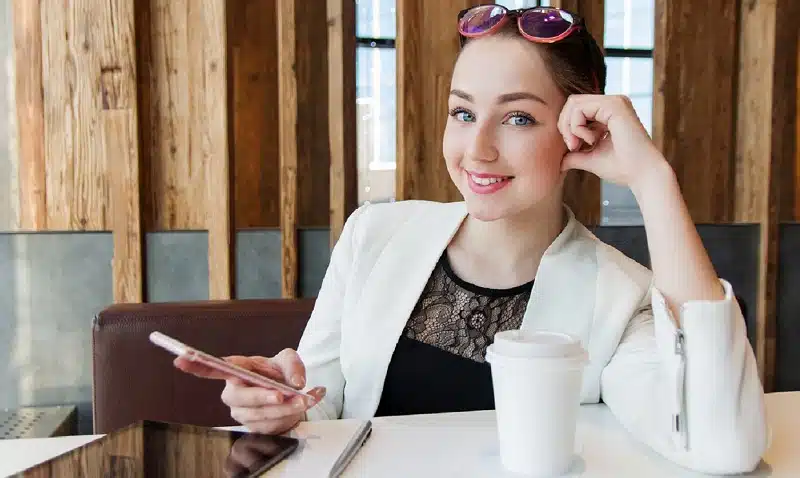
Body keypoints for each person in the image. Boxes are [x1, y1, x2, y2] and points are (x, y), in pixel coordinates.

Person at [177, 4, 767, 474]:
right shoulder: (375, 235)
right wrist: (280, 404)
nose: (478, 149)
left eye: (517, 118)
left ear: (578, 130)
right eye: (463, 113)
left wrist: (652, 178)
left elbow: (721, 445)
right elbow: (323, 404)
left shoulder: (622, 296)